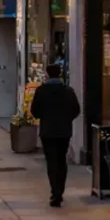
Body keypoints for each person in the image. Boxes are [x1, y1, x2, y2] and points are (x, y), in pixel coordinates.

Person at [29, 64, 81, 207]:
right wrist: (66, 118)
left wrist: (45, 117)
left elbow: (35, 111)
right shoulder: (68, 91)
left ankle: (55, 192)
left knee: (52, 162)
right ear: (60, 74)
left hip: (48, 131)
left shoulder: (41, 91)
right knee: (61, 160)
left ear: (47, 74)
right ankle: (60, 191)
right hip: (64, 131)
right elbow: (76, 109)